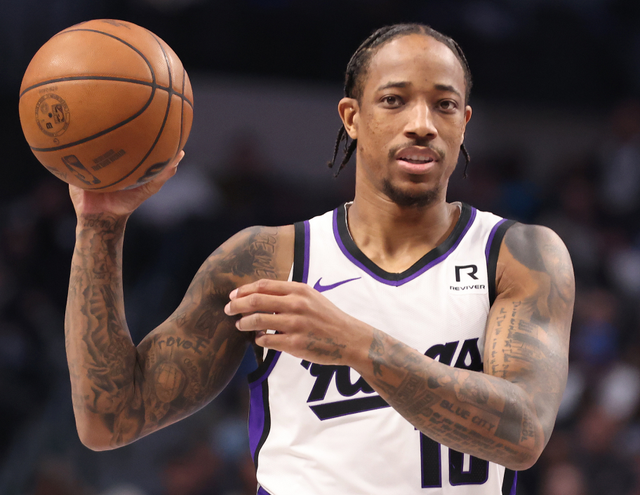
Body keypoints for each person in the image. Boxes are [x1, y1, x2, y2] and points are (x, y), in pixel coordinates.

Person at [64, 23, 574, 494]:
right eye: (393, 100)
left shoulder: (517, 254)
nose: (421, 124)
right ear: (352, 117)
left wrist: (356, 343)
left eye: (444, 105)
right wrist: (99, 226)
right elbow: (111, 420)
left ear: (463, 122)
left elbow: (523, 434)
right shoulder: (265, 260)